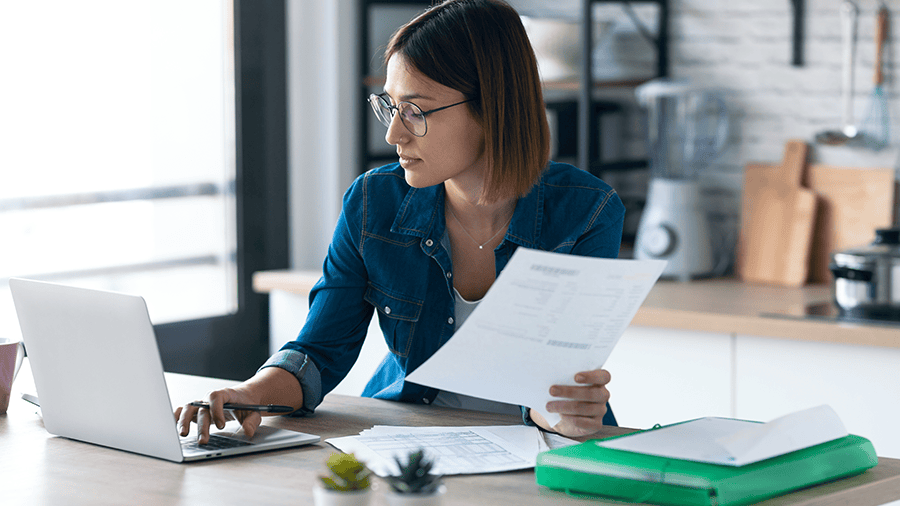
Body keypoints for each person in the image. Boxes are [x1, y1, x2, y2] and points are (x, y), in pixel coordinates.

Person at [176, 0, 625, 444]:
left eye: (415, 111)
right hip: (405, 440)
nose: (393, 134)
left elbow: (558, 386)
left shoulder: (587, 212)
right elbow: (318, 352)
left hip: (539, 447)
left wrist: (565, 415)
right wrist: (248, 394)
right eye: (390, 106)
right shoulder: (374, 201)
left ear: (491, 107)